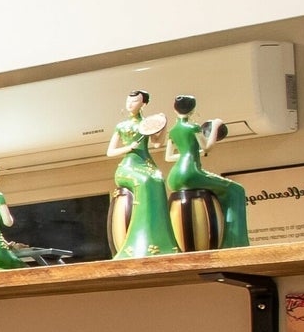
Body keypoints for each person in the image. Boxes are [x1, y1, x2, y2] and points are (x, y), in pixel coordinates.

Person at [164, 93, 252, 250]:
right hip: (192, 172)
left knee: (222, 189)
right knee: (236, 189)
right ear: (192, 110)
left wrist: (189, 152)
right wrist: (216, 126)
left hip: (174, 176)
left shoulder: (172, 130)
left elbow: (169, 157)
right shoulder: (193, 127)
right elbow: (208, 147)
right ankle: (233, 242)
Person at [107, 89, 181, 258]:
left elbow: (156, 144)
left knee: (157, 179)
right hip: (128, 166)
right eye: (128, 101)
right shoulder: (121, 126)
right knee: (145, 181)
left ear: (143, 104)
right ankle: (137, 239)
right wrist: (128, 148)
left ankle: (161, 240)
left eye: (134, 102)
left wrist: (163, 125)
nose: (130, 105)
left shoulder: (146, 124)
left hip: (146, 164)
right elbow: (110, 152)